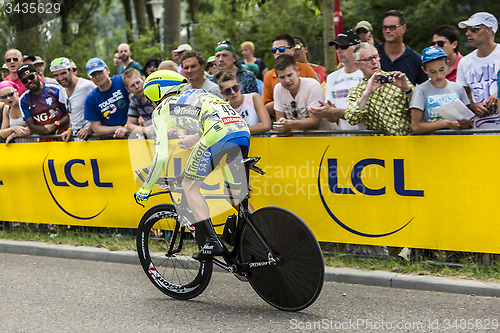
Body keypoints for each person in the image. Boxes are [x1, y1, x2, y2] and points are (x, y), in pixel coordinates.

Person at [134, 70, 251, 261]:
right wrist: (194, 139)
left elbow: (161, 156)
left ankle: (212, 242)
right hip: (241, 130)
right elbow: (215, 120)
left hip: (217, 133)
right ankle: (256, 236)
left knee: (189, 185)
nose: (151, 102)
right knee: (236, 195)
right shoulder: (198, 93)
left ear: (157, 91)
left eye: (150, 98)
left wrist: (145, 188)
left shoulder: (162, 109)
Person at [315, 43, 413, 136]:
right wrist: (367, 93)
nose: (374, 62)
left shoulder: (397, 79)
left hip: (410, 141)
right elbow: (352, 118)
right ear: (357, 65)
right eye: (368, 59)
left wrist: (407, 89)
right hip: (382, 146)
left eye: (375, 57)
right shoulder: (357, 91)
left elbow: (421, 106)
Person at [410, 46, 471, 134]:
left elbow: (467, 120)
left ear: (447, 64)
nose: (438, 75)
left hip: (456, 142)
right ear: (424, 70)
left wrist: (464, 123)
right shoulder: (421, 90)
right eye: (432, 72)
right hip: (432, 144)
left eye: (441, 70)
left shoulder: (458, 88)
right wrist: (445, 124)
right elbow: (415, 127)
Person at [456, 12, 500, 129]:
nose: (467, 33)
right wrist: (473, 106)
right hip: (479, 132)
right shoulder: (465, 62)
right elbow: (461, 97)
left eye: (474, 29)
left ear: (489, 30)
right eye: (467, 29)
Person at [314, 30, 365, 130]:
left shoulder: (368, 74)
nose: (339, 50)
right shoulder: (332, 77)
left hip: (368, 137)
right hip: (343, 138)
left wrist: (333, 111)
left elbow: (362, 114)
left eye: (343, 46)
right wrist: (326, 112)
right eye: (336, 47)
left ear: (357, 47)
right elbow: (333, 118)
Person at [262, 33, 319, 116]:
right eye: (274, 50)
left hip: (309, 123)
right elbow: (265, 108)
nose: (277, 52)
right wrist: (282, 99)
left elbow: (317, 99)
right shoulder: (269, 76)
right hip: (284, 125)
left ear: (292, 50)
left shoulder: (306, 69)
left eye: (281, 49)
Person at [271, 54, 328, 132]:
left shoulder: (312, 86)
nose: (287, 80)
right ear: (277, 78)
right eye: (282, 77)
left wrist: (289, 124)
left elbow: (314, 122)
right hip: (298, 139)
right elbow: (280, 121)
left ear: (297, 71)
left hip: (324, 137)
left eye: (290, 75)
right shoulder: (278, 89)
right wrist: (281, 126)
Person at [376, 10, 428, 85]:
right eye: (385, 27)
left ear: (403, 28)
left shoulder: (416, 60)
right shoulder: (373, 55)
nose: (387, 31)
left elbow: (423, 90)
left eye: (392, 27)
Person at [50, 57, 96, 141]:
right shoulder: (62, 87)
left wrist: (90, 129)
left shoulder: (87, 86)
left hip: (93, 137)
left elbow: (102, 108)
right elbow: (71, 112)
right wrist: (70, 129)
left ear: (71, 70)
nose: (60, 78)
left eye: (63, 73)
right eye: (56, 75)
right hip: (77, 138)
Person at [18, 63, 69, 136]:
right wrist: (44, 130)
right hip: (44, 140)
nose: (29, 81)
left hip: (64, 136)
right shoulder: (23, 99)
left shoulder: (56, 89)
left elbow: (69, 114)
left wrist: (55, 125)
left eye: (31, 77)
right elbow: (31, 125)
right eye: (25, 80)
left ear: (37, 74)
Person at [84, 58, 129, 137]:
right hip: (109, 140)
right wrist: (118, 128)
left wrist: (129, 126)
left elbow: (135, 101)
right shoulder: (91, 99)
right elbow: (97, 128)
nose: (97, 77)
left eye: (99, 72)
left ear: (107, 70)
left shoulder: (122, 80)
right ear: (90, 78)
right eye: (93, 75)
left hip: (132, 134)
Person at [122, 68, 154, 136]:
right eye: (132, 85)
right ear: (127, 89)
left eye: (138, 82)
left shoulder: (155, 91)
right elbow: (129, 125)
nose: (137, 87)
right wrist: (145, 129)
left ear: (143, 79)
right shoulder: (134, 99)